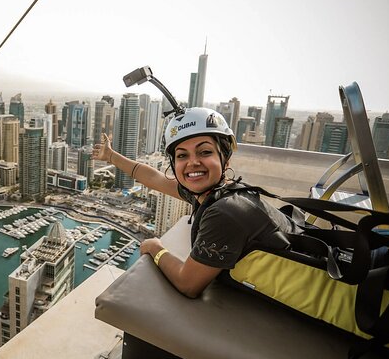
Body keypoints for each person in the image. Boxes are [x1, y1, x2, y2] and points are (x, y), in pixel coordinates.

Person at [92, 107, 298, 298]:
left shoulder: (225, 211)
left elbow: (188, 284)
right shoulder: (217, 192)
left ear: (225, 159)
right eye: (182, 155)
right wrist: (111, 156)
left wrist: (155, 248)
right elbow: (155, 179)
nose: (192, 162)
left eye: (205, 152)